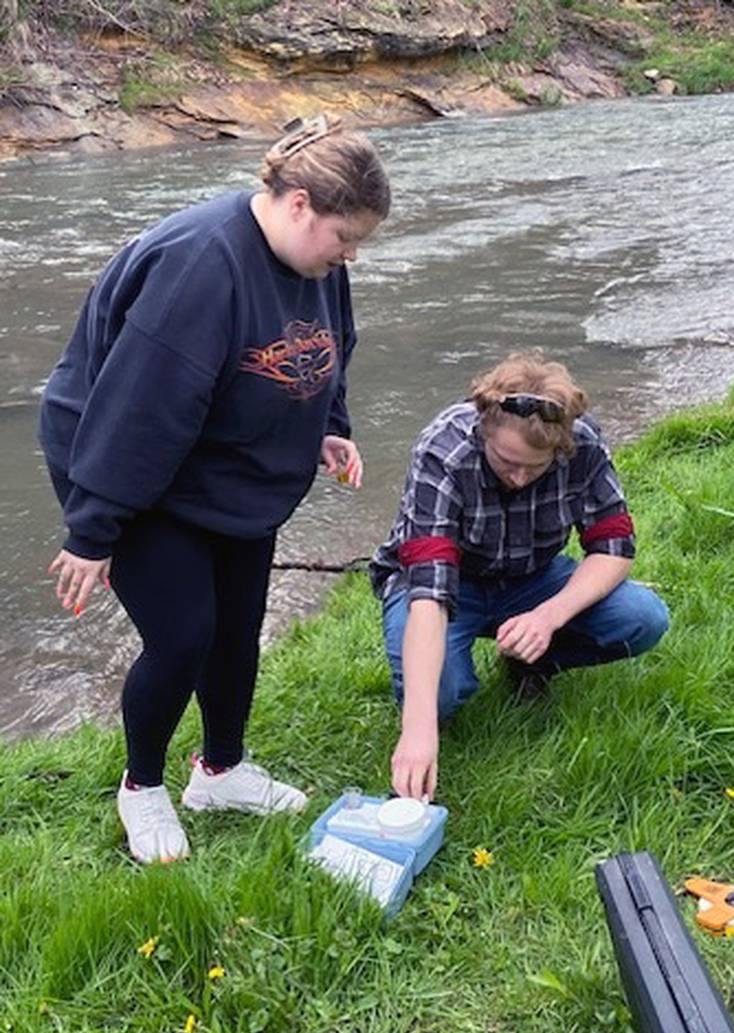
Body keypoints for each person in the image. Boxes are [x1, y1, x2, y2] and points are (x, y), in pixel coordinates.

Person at [39, 113, 391, 863]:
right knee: (183, 634)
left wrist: (331, 422)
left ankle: (220, 771)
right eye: (344, 236)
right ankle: (142, 788)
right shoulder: (201, 265)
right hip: (127, 462)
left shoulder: (318, 266)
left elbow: (329, 349)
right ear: (299, 204)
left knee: (238, 627)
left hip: (227, 461)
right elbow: (142, 407)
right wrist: (94, 530)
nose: (351, 254)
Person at [370, 350, 669, 801]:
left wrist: (547, 618)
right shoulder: (444, 451)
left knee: (644, 617)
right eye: (506, 460)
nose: (519, 476)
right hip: (446, 584)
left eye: (536, 466)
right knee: (437, 696)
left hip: (533, 578)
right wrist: (418, 730)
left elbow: (613, 550)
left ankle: (532, 660)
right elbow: (430, 594)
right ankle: (439, 708)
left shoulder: (583, 445)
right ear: (483, 429)